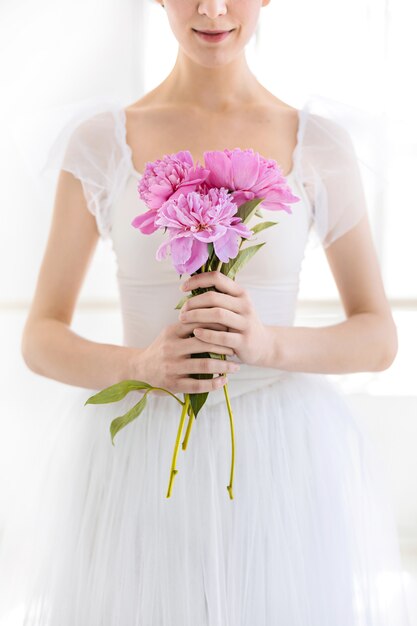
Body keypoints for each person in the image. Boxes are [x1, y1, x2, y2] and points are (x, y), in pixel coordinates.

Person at [5, 0, 411, 624]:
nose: (213, 9)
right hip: (140, 458)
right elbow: (40, 336)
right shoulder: (101, 141)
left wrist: (269, 345)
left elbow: (378, 336)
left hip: (279, 457)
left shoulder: (318, 145)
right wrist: (143, 362)